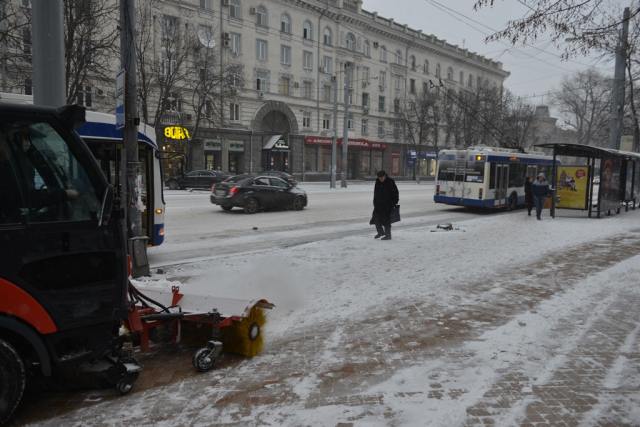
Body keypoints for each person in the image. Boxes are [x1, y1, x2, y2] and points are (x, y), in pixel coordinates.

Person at [371, 170, 399, 240]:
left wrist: (394, 203)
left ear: (385, 176)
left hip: (387, 205)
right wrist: (374, 202)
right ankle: (380, 232)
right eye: (379, 178)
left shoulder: (390, 182)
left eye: (382, 177)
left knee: (386, 220)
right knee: (376, 218)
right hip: (378, 204)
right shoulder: (377, 182)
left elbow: (395, 193)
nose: (380, 179)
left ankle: (388, 235)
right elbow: (375, 193)